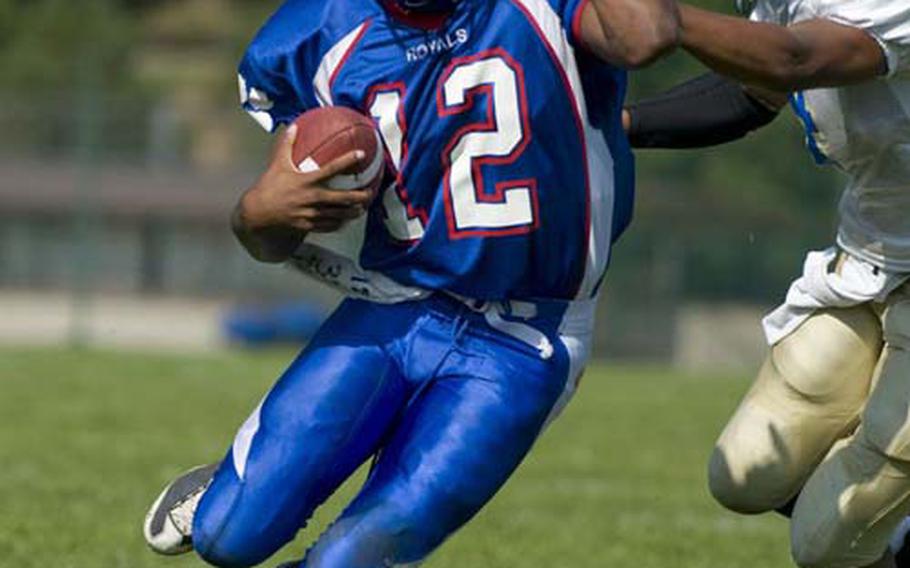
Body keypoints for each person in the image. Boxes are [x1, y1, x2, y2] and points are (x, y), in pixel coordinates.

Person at [142, 0, 679, 566]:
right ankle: (228, 490)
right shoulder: (319, 30)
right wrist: (257, 212)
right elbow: (266, 240)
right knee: (226, 539)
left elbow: (645, 37)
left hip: (525, 342)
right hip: (395, 304)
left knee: (348, 559)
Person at [625, 1, 910, 566]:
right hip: (870, 257)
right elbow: (750, 92)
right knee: (749, 473)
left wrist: (670, 20)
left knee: (827, 544)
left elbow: (794, 58)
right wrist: (613, 127)